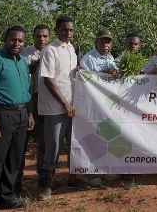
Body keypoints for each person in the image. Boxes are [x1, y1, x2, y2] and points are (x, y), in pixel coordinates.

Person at [0, 25, 33, 211]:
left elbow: (26, 90)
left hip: (21, 114)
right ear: (5, 39)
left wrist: (29, 114)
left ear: (25, 43)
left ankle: (6, 196)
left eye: (20, 40)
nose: (16, 43)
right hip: (1, 115)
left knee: (14, 159)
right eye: (13, 39)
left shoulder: (22, 62)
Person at [37, 16, 89, 201]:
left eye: (71, 30)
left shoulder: (71, 50)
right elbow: (49, 80)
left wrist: (78, 70)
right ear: (57, 29)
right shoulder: (50, 50)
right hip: (55, 108)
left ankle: (73, 178)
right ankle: (47, 184)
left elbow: (68, 75)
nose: (68, 33)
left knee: (74, 143)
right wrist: (65, 104)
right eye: (65, 30)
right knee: (53, 145)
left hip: (72, 106)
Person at [80, 30, 120, 184]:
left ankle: (105, 170)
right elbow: (85, 78)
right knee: (92, 137)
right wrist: (104, 73)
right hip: (92, 104)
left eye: (108, 42)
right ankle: (90, 173)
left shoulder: (111, 58)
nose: (105, 45)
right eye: (102, 42)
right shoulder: (88, 58)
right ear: (96, 42)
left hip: (108, 105)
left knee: (107, 136)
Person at [16, 24, 51, 192]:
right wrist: (28, 70)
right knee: (20, 144)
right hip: (25, 105)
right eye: (39, 36)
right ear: (33, 36)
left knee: (43, 142)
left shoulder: (51, 53)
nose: (42, 39)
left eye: (45, 36)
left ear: (49, 37)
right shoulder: (24, 54)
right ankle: (16, 181)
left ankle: (43, 178)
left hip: (44, 104)